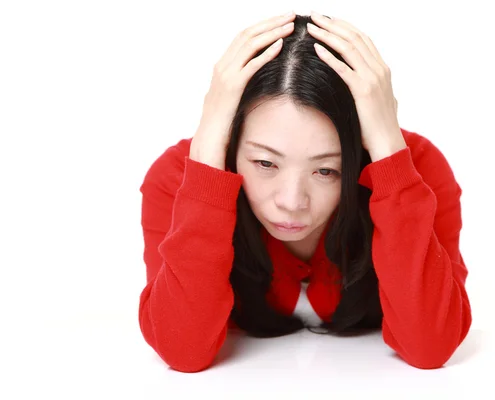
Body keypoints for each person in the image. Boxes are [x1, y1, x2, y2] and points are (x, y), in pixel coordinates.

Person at [138, 11, 472, 373]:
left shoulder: (415, 172)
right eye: (265, 163)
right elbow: (183, 351)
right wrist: (206, 159)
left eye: (326, 170)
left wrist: (389, 150)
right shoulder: (180, 177)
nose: (292, 202)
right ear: (231, 139)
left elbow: (431, 346)